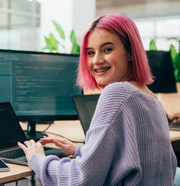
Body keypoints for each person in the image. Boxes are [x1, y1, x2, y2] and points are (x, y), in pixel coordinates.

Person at [18, 14, 177, 186]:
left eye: (107, 49)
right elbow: (138, 158)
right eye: (90, 53)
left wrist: (37, 159)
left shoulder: (117, 93)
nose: (97, 61)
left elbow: (81, 179)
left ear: (131, 52)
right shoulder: (152, 99)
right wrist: (82, 150)